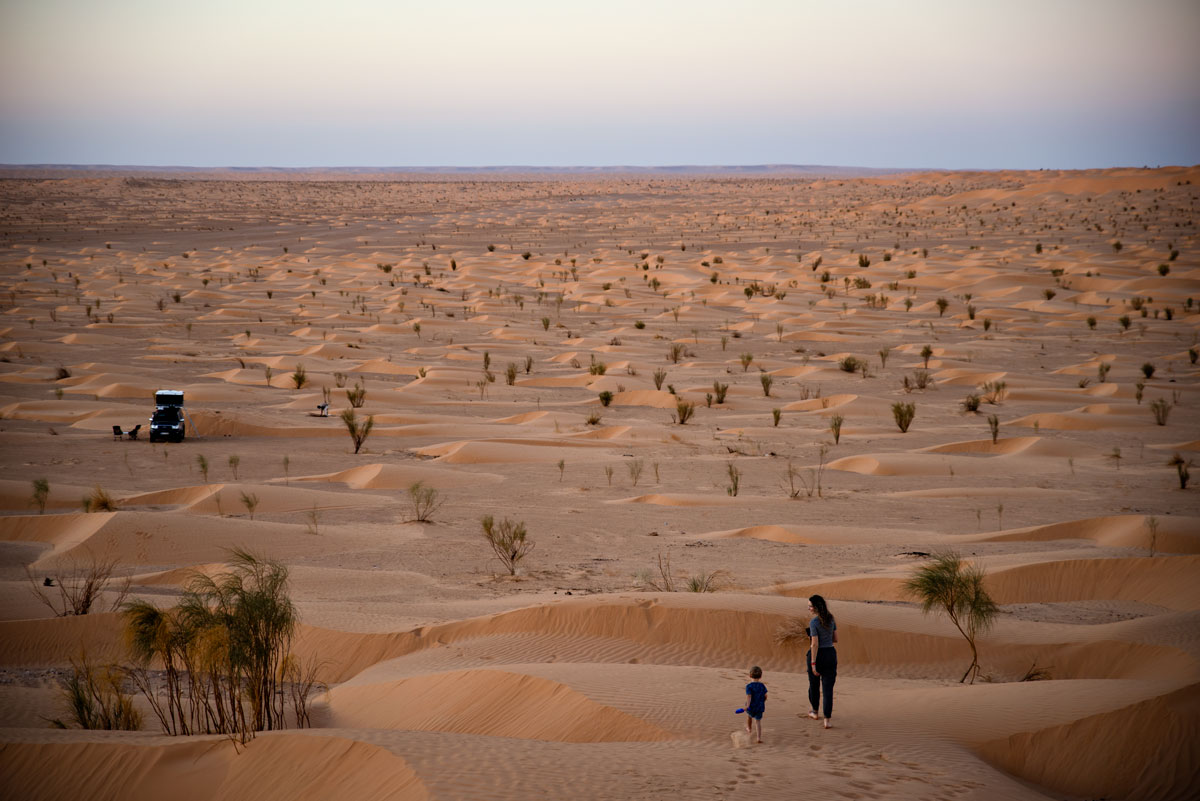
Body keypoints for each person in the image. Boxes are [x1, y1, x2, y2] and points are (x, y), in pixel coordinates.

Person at [805, 594, 837, 729]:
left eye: (810, 606)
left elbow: (814, 644)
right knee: (828, 689)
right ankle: (827, 720)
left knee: (814, 685)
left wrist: (813, 663)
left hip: (818, 655)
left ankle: (815, 711)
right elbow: (835, 639)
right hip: (830, 654)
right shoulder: (831, 619)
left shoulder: (814, 623)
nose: (809, 609)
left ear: (816, 607)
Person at [744, 666, 767, 744]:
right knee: (758, 722)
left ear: (750, 675)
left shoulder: (749, 686)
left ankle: (749, 728)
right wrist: (763, 701)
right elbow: (765, 696)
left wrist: (747, 706)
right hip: (760, 707)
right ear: (760, 676)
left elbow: (749, 696)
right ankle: (758, 738)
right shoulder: (762, 686)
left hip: (751, 706)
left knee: (749, 716)